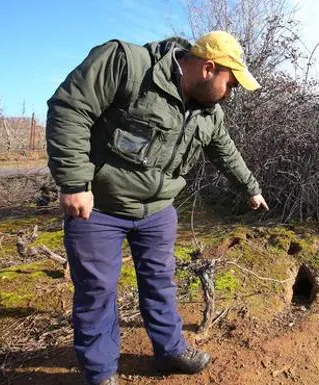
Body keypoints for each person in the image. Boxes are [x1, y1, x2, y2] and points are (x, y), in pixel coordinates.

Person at [46, 31, 268, 385]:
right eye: (231, 84)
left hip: (158, 212)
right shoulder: (127, 64)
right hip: (100, 208)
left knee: (161, 283)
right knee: (97, 291)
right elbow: (70, 108)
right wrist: (74, 183)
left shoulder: (209, 113)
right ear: (209, 68)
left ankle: (169, 351)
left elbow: (224, 150)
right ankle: (102, 373)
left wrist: (251, 189)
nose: (231, 93)